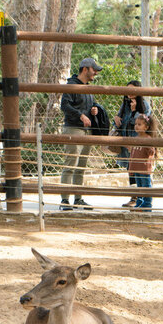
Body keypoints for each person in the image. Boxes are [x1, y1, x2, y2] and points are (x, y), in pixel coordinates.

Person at [59, 57, 103, 211]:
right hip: (73, 128)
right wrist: (80, 115)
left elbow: (89, 106)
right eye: (94, 69)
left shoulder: (88, 87)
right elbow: (64, 105)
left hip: (86, 130)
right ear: (85, 69)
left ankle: (78, 199)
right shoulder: (71, 85)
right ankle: (65, 200)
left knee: (81, 166)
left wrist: (93, 110)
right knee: (70, 164)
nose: (95, 72)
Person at [113, 80, 151, 208]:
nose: (129, 93)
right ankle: (134, 196)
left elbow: (141, 123)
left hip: (138, 143)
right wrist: (116, 120)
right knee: (131, 170)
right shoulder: (125, 104)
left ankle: (142, 198)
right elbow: (121, 121)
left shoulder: (144, 105)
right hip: (126, 142)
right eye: (127, 90)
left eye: (132, 90)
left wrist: (134, 111)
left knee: (140, 171)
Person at [128, 114, 158, 212]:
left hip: (144, 169)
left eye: (139, 124)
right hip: (137, 169)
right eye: (135, 124)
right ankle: (139, 204)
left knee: (146, 187)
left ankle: (147, 205)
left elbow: (151, 151)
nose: (136, 126)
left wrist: (150, 149)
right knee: (139, 187)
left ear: (146, 127)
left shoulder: (148, 139)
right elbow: (132, 155)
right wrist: (131, 168)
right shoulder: (135, 138)